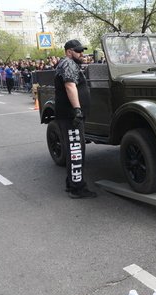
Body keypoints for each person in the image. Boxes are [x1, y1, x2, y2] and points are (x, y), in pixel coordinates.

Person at [55, 39, 97, 199]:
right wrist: (77, 109)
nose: (82, 54)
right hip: (71, 115)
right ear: (68, 52)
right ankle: (77, 189)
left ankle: (71, 182)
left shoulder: (70, 63)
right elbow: (70, 86)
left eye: (82, 51)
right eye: (78, 51)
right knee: (76, 151)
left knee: (75, 150)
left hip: (70, 114)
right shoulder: (68, 63)